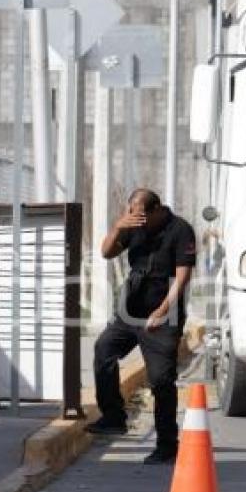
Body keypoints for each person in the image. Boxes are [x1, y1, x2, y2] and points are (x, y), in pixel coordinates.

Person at [86, 189, 196, 465]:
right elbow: (106, 252)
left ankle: (167, 444)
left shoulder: (180, 229)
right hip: (130, 311)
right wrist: (117, 228)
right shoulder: (132, 223)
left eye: (143, 217)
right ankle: (113, 417)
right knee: (104, 350)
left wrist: (162, 310)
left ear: (157, 210)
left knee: (161, 380)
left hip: (162, 316)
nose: (139, 223)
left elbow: (182, 277)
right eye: (133, 216)